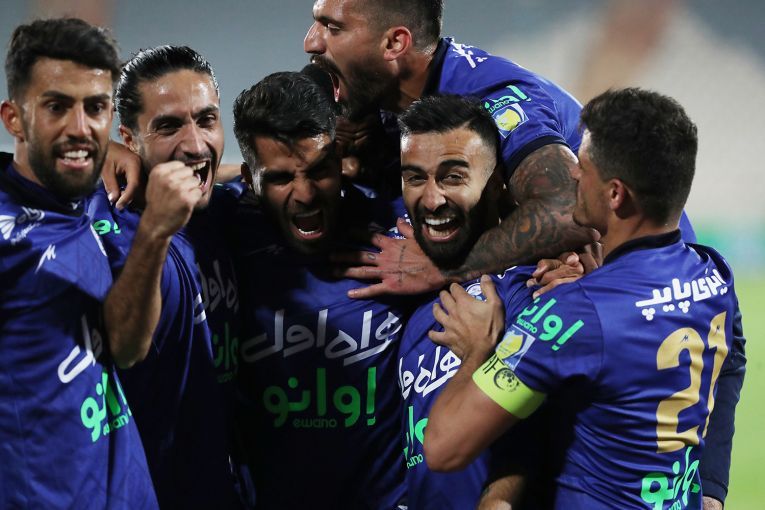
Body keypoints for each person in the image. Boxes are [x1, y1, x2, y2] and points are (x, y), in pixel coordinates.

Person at [304, 4, 744, 506]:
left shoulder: (496, 99)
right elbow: (729, 340)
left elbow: (563, 211)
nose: (312, 40)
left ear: (395, 43)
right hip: (675, 293)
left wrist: (446, 267)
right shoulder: (714, 272)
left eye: (332, 26)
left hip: (627, 294)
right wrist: (711, 489)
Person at [424, 88, 739, 509]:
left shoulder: (573, 313)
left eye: (583, 166)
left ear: (615, 194)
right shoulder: (714, 275)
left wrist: (477, 350)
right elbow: (732, 361)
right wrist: (712, 488)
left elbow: (444, 447)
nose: (571, 174)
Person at [231, 71, 408, 510]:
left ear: (340, 161)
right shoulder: (222, 229)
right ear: (250, 181)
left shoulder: (402, 231)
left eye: (319, 171)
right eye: (280, 178)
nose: (306, 195)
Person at [0, 18, 157, 508]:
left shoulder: (90, 196)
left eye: (95, 108)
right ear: (14, 119)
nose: (80, 127)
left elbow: (127, 348)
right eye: (56, 107)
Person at [87, 45, 243, 508]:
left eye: (207, 120)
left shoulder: (222, 213)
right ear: (129, 139)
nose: (195, 144)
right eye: (169, 126)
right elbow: (124, 346)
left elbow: (258, 175)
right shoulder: (105, 232)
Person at [396, 94, 551, 509]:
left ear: (497, 184)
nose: (432, 200)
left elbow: (544, 432)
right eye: (415, 178)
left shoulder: (536, 289)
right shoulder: (410, 302)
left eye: (453, 177)